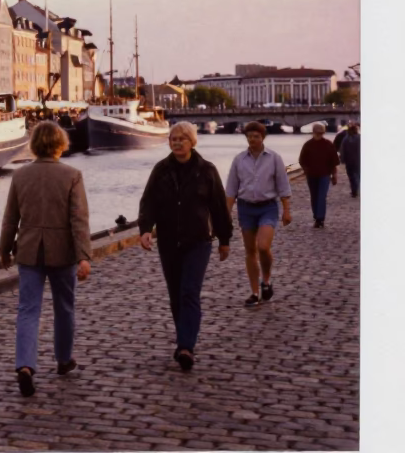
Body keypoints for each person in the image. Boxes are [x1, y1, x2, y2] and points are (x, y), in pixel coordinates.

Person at [0, 121, 92, 397]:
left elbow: (10, 218)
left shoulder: (20, 175)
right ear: (61, 144)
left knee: (28, 310)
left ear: (35, 145)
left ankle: (25, 365)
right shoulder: (72, 175)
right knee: (64, 307)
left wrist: (4, 250)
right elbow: (79, 220)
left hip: (28, 251)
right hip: (63, 252)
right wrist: (84, 256)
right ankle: (63, 360)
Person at [138, 121, 234, 371]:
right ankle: (183, 338)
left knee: (189, 292)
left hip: (198, 241)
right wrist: (145, 230)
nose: (177, 142)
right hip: (169, 241)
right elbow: (148, 202)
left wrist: (224, 240)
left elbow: (218, 208)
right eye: (173, 138)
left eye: (182, 138)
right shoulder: (161, 170)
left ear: (192, 142)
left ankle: (186, 346)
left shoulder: (207, 170)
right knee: (175, 296)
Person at [225, 121, 292, 307]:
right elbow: (231, 189)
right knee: (250, 251)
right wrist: (226, 213)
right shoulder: (239, 160)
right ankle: (254, 292)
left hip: (267, 207)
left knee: (263, 246)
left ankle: (267, 280)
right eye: (249, 136)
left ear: (263, 138)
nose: (252, 140)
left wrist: (286, 210)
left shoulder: (274, 158)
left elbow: (283, 186)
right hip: (246, 208)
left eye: (256, 136)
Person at [299, 123, 339, 227]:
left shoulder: (328, 145)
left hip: (324, 175)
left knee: (321, 196)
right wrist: (306, 170)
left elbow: (334, 161)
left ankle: (319, 218)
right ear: (313, 133)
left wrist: (334, 175)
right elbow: (302, 160)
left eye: (320, 133)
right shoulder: (308, 145)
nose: (319, 135)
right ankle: (316, 215)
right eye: (317, 133)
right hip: (311, 175)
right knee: (314, 196)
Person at [339, 123, 360, 198]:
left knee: (351, 176)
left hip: (349, 161)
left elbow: (342, 150)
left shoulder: (345, 139)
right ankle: (357, 188)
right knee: (358, 175)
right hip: (358, 160)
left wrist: (342, 160)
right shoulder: (360, 138)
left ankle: (354, 190)